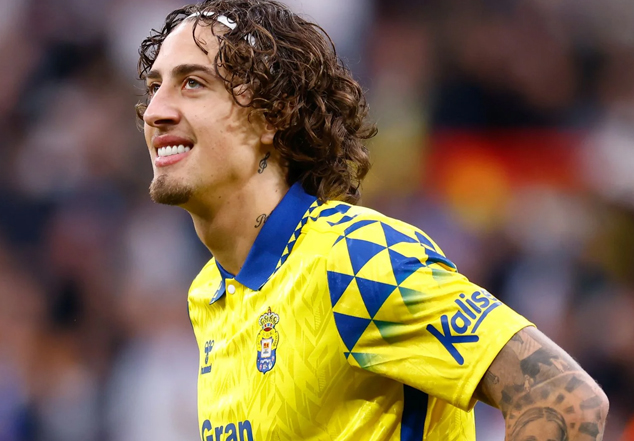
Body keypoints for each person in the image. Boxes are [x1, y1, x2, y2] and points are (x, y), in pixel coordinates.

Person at [135, 0, 609, 439]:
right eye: (154, 89)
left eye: (192, 83)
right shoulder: (208, 293)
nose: (155, 112)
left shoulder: (354, 259)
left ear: (272, 114)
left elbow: (562, 396)